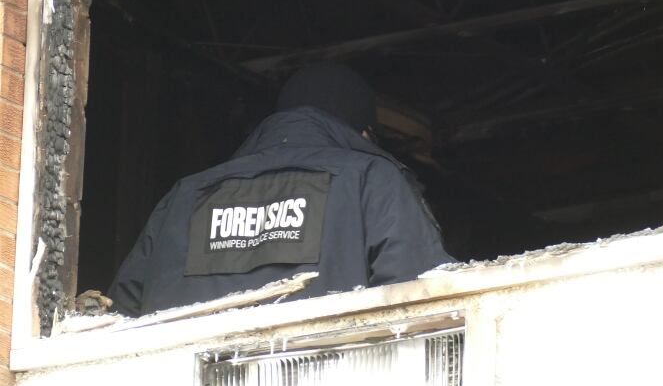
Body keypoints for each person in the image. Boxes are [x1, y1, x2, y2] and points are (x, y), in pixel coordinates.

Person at [108, 63, 454, 317]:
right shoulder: (371, 180)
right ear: (363, 135)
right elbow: (429, 304)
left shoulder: (183, 198)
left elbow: (118, 318)